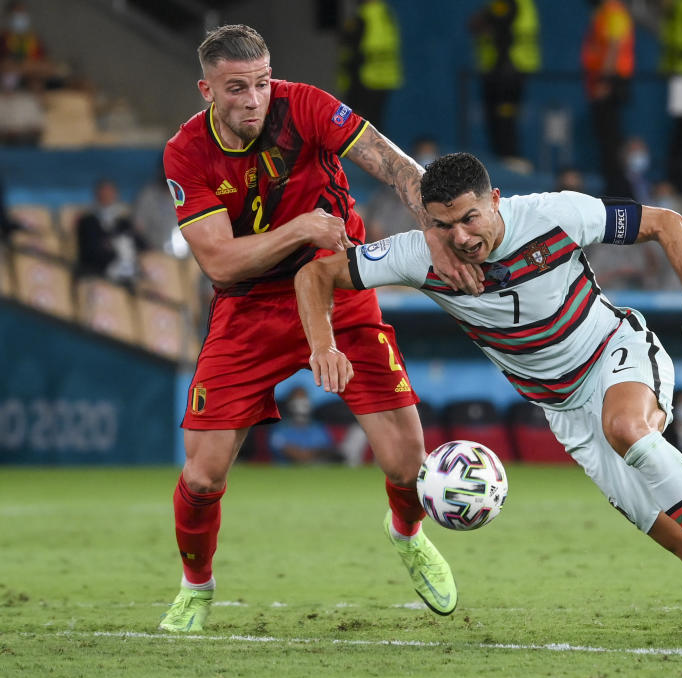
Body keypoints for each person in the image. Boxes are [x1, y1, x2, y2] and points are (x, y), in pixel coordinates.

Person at [295, 152, 682, 630]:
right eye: (443, 226)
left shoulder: (555, 215)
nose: (460, 237)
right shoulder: (419, 255)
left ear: (496, 201)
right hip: (565, 410)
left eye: (469, 218)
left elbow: (668, 223)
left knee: (628, 428)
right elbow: (314, 277)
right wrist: (323, 344)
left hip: (615, 352)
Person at [158, 24, 483, 634]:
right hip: (248, 309)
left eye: (260, 83)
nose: (253, 99)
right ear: (207, 90)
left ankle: (408, 533)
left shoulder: (303, 104)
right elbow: (221, 261)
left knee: (405, 462)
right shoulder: (185, 152)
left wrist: (438, 231)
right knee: (201, 476)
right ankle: (196, 588)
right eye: (236, 89)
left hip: (339, 287)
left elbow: (393, 164)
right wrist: (304, 227)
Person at [469, 0, 541, 165]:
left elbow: (488, 22)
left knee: (504, 116)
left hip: (507, 68)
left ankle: (508, 158)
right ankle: (505, 157)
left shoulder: (509, 3)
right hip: (505, 67)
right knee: (502, 116)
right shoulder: (522, 4)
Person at [582, 0, 634, 197]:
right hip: (606, 80)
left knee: (611, 139)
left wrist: (605, 80)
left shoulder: (614, 12)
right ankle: (614, 186)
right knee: (607, 139)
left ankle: (619, 189)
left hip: (610, 82)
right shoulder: (606, 12)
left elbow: (614, 45)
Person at [337, 0, 403, 130]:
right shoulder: (386, 14)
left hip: (364, 78)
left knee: (357, 126)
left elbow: (350, 49)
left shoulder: (361, 18)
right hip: (385, 76)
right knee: (377, 125)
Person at [75, 178, 147, 287]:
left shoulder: (124, 222)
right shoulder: (87, 222)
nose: (107, 197)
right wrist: (111, 246)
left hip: (128, 271)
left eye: (110, 193)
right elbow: (89, 250)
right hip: (99, 271)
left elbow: (141, 244)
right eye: (104, 193)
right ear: (97, 195)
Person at [269, 387, 341, 464]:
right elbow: (277, 445)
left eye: (304, 398)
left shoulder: (318, 427)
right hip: (285, 470)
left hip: (315, 469)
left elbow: (327, 447)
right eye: (297, 399)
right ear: (290, 403)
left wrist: (310, 454)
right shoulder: (281, 428)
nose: (301, 403)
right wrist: (300, 455)